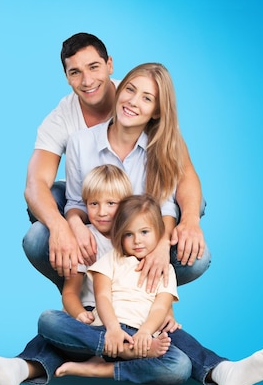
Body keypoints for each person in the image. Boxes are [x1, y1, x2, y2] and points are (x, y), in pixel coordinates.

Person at [0, 165, 192, 385]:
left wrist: (166, 314)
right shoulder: (84, 239)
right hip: (94, 324)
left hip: (134, 328)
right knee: (49, 320)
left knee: (179, 362)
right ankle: (17, 369)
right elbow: (71, 292)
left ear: (125, 206)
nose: (102, 212)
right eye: (94, 204)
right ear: (85, 205)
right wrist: (78, 314)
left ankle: (31, 367)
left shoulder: (141, 240)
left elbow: (157, 291)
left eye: (111, 204)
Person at [23, 32, 208, 293]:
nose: (87, 80)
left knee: (190, 203)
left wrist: (184, 225)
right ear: (66, 77)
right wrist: (65, 227)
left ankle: (142, 290)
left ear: (110, 64)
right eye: (75, 72)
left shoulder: (142, 98)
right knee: (49, 201)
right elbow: (36, 185)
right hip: (94, 208)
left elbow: (183, 177)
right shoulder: (70, 128)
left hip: (141, 214)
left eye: (94, 67)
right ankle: (79, 287)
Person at [39, 194, 263, 385]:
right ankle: (124, 352)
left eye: (144, 232)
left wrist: (144, 332)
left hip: (146, 337)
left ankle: (221, 371)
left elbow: (159, 307)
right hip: (107, 333)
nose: (137, 241)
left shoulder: (165, 269)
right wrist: (112, 329)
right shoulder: (112, 260)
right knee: (48, 319)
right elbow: (102, 297)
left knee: (179, 366)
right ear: (120, 235)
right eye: (129, 234)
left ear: (158, 233)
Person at [63, 62, 210, 294]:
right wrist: (75, 225)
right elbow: (74, 202)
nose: (132, 101)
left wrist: (162, 247)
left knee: (198, 257)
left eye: (147, 98)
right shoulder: (80, 142)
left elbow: (166, 207)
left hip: (139, 243)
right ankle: (78, 289)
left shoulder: (161, 148)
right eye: (130, 90)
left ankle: (145, 293)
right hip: (98, 241)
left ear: (158, 111)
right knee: (38, 237)